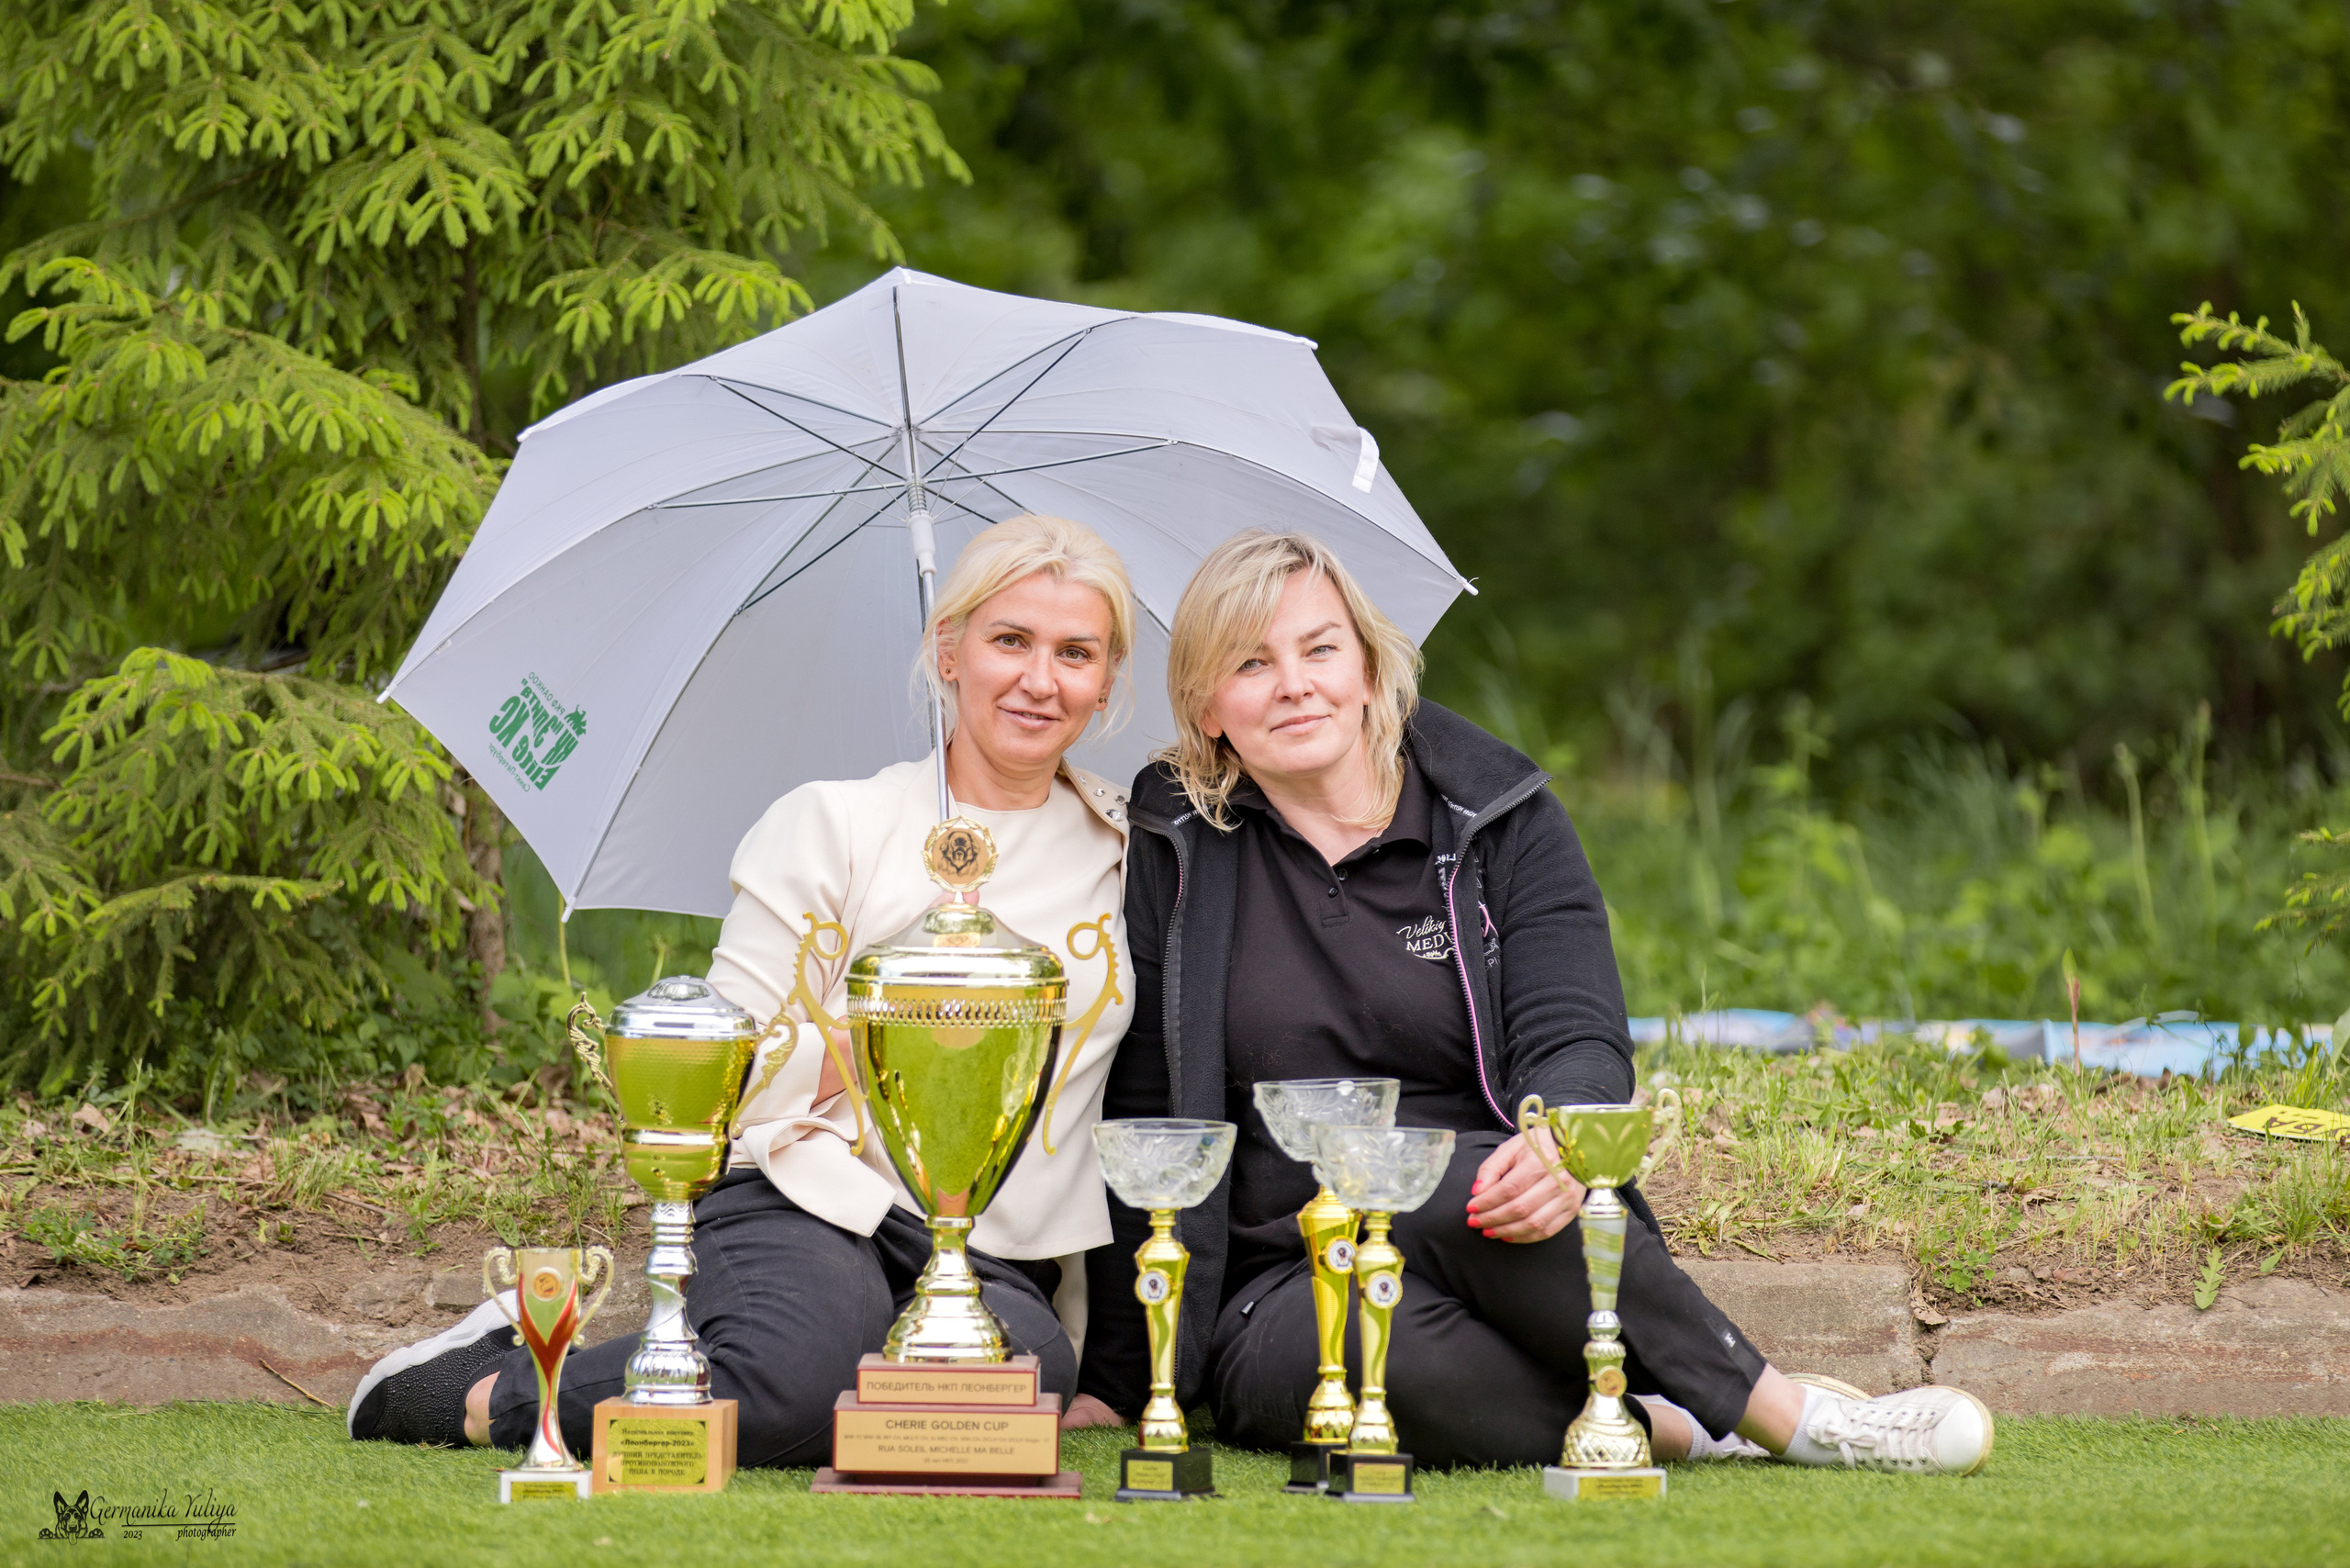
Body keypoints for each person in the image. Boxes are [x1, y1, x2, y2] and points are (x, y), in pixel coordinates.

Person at [1079, 529, 1994, 1475]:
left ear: (1366, 667)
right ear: (1205, 705)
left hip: (1498, 1204)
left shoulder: (1494, 809)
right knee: (1404, 1387)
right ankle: (1676, 1425)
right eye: (1251, 663)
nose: (1294, 684)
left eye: (1319, 649)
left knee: (1425, 1176)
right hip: (1274, 1278)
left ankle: (1791, 1416)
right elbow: (1146, 1096)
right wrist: (1120, 1373)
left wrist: (1557, 1136)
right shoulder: (1178, 836)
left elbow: (1578, 1030)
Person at [352, 513, 1136, 1462]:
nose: (1038, 678)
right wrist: (896, 1042)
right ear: (948, 650)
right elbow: (729, 1070)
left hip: (992, 1246)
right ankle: (478, 1385)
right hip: (803, 1187)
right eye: (1009, 639)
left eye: (1074, 652)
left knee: (1003, 1388)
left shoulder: (1130, 850)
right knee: (789, 1383)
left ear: (1104, 684)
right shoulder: (831, 824)